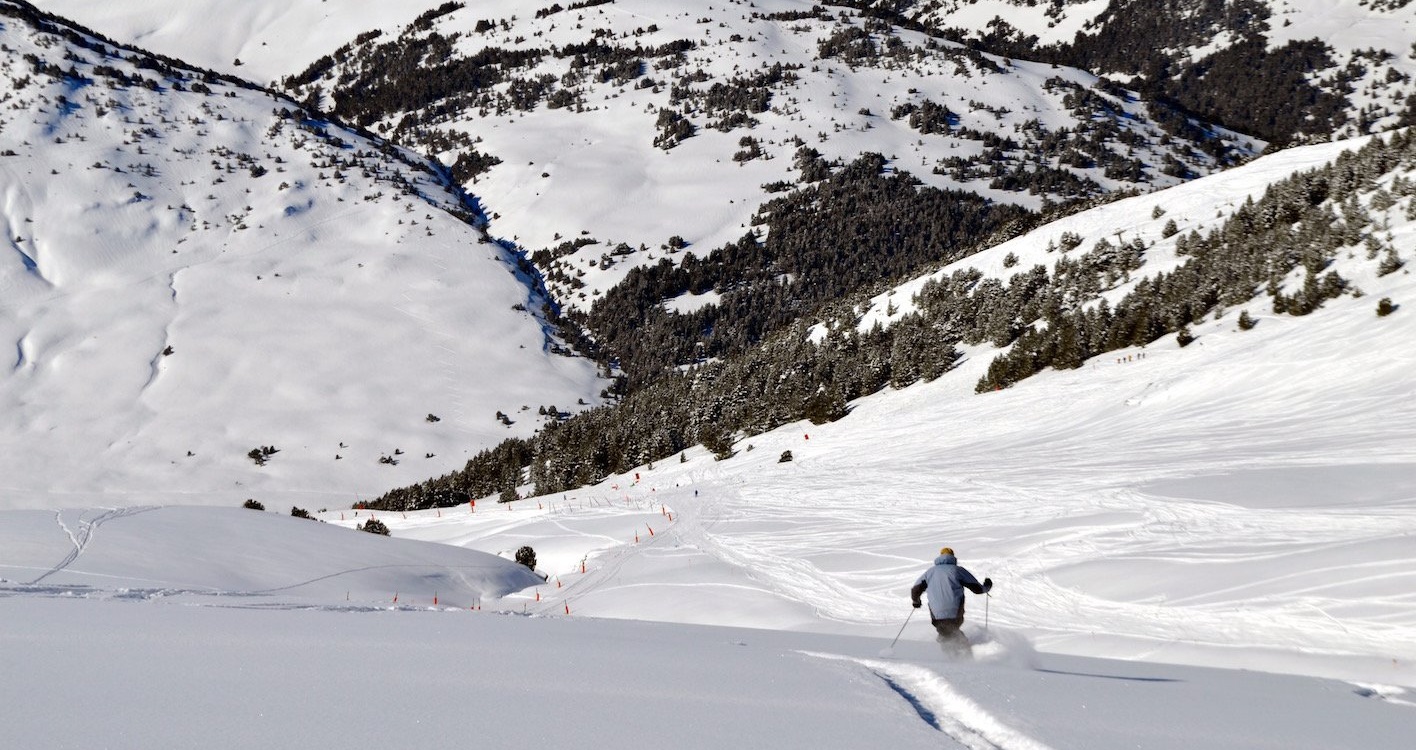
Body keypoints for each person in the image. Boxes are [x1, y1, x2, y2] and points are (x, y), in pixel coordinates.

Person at [910, 547, 992, 653]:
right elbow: (977, 589)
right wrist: (987, 586)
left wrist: (916, 602)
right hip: (955, 611)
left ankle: (951, 657)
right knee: (952, 632)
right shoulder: (957, 570)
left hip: (936, 613)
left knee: (945, 632)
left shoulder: (929, 572)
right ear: (952, 557)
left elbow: (915, 590)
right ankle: (964, 657)